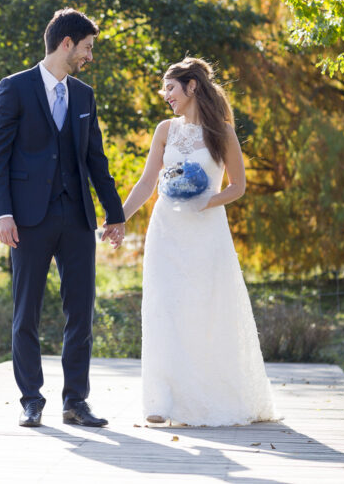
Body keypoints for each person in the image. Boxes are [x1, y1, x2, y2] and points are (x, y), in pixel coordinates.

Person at [0, 8, 126, 428]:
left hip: (77, 216)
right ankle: (32, 398)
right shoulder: (14, 88)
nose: (89, 56)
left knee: (81, 311)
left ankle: (75, 402)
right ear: (66, 43)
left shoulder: (84, 96)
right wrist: (3, 213)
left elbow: (96, 159)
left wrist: (114, 213)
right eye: (87, 48)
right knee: (26, 310)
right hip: (27, 219)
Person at [121, 57, 277, 426]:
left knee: (205, 310)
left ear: (192, 86)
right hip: (166, 231)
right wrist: (118, 219)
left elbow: (237, 186)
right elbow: (147, 183)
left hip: (206, 232)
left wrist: (206, 201)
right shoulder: (165, 130)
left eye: (170, 87)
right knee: (164, 307)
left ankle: (208, 396)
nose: (165, 95)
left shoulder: (222, 131)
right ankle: (161, 401)